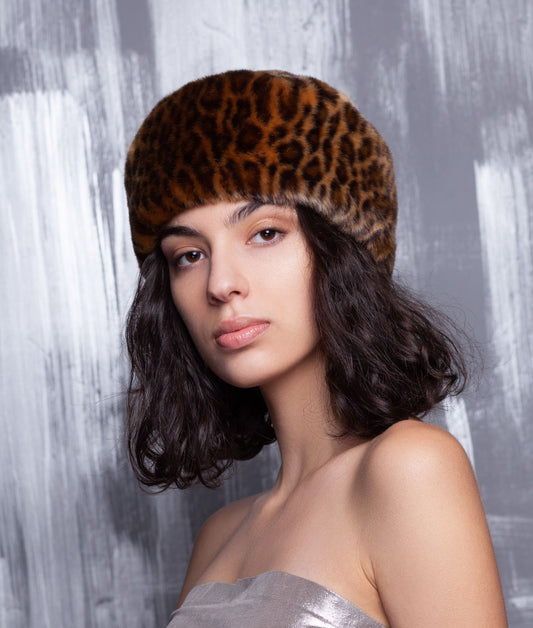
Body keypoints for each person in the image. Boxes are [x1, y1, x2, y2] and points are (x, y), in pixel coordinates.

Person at [124, 70, 507, 627]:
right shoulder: (218, 537)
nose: (220, 284)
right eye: (189, 254)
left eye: (265, 233)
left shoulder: (408, 468)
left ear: (339, 252)